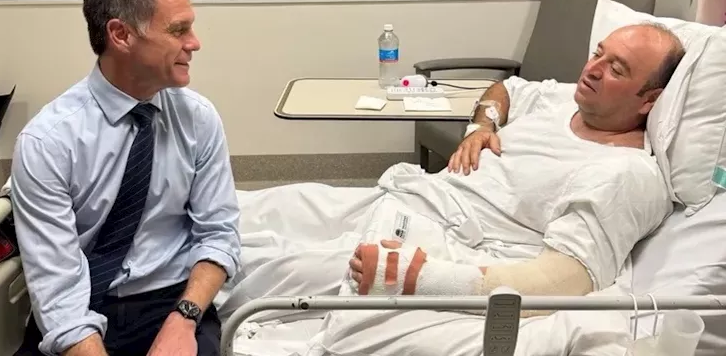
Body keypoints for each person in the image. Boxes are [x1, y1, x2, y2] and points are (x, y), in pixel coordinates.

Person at [215, 23, 686, 354]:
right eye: (598, 52)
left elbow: (561, 282)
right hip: (410, 197)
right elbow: (506, 89)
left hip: (441, 238)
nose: (593, 69)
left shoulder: (626, 175)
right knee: (274, 205)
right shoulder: (566, 98)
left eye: (617, 68)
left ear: (650, 100)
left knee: (279, 268)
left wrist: (417, 277)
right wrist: (483, 126)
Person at [10, 0, 240, 356]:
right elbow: (58, 292)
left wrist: (184, 317)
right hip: (83, 299)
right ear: (121, 35)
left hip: (172, 299)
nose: (194, 43)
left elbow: (218, 234)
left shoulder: (197, 119)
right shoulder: (48, 143)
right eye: (178, 30)